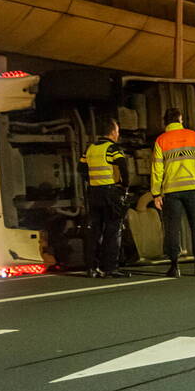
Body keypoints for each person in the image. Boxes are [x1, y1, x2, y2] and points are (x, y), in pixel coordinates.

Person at [152, 108, 195, 278]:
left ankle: (174, 267)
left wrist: (155, 193)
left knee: (173, 228)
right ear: (180, 119)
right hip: (191, 188)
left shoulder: (161, 140)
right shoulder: (192, 136)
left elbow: (157, 170)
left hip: (171, 191)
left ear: (165, 121)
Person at [79, 118, 129, 278]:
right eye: (117, 131)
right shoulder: (113, 148)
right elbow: (123, 167)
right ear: (113, 132)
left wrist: (91, 181)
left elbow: (81, 168)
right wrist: (124, 186)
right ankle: (110, 267)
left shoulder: (90, 149)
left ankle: (91, 268)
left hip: (94, 193)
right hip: (110, 192)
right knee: (113, 229)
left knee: (94, 230)